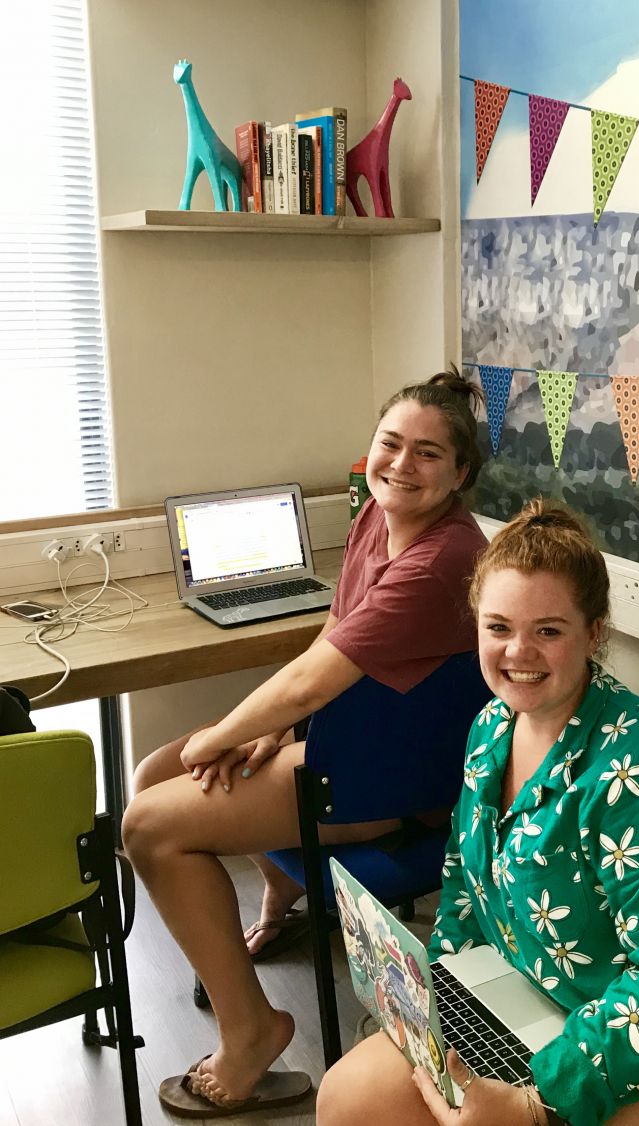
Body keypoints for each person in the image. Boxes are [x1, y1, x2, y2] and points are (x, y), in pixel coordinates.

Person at [316, 499, 639, 1126]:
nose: (518, 652)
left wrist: (536, 1104)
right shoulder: (490, 730)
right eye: (498, 627)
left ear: (594, 633)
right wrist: (440, 1002)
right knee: (349, 1098)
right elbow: (463, 888)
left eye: (549, 630)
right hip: (541, 1001)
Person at [122, 369, 489, 1115]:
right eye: (391, 444)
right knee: (156, 768)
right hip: (349, 747)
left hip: (394, 782)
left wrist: (232, 733)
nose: (401, 465)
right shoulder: (374, 520)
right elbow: (332, 638)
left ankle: (251, 1031)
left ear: (461, 473)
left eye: (427, 454)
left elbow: (312, 683)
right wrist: (265, 730)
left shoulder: (442, 559)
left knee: (148, 826)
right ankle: (285, 891)